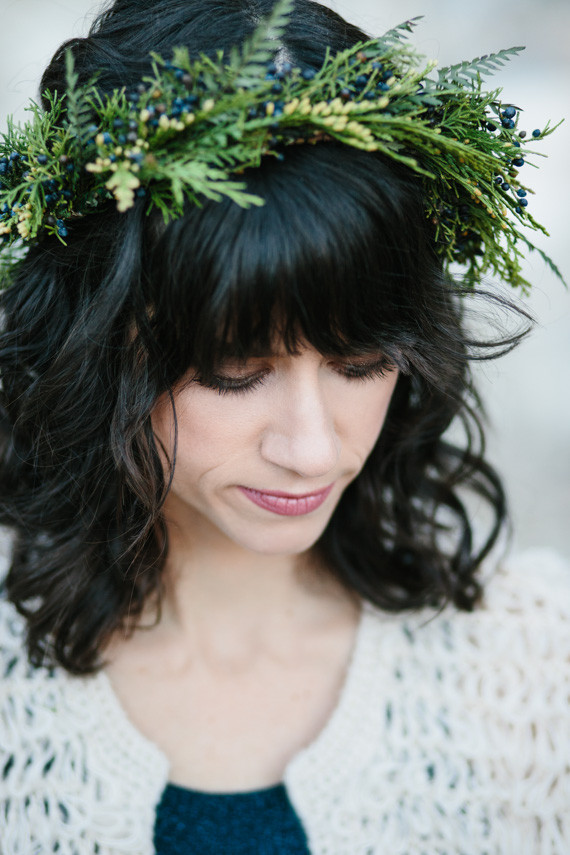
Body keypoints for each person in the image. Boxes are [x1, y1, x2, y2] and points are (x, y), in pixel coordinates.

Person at [0, 0, 568, 853]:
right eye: (236, 373)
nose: (311, 448)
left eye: (361, 363)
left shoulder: (533, 668)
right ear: (100, 346)